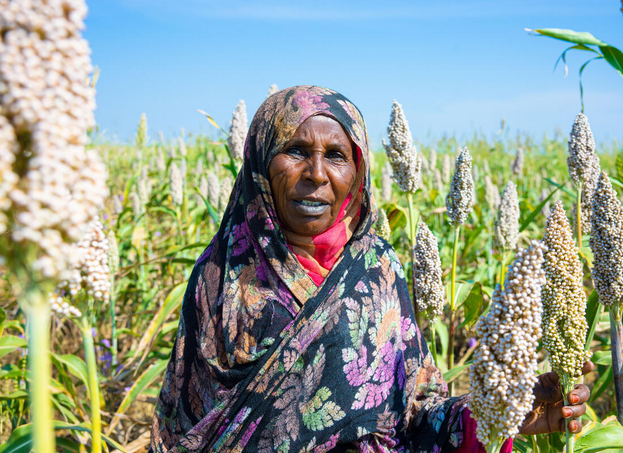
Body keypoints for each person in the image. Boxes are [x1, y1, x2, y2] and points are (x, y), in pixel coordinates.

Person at [150, 85, 592, 452]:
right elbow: (190, 428)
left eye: (336, 155)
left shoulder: (377, 269)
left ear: (358, 170)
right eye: (296, 151)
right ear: (262, 161)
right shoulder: (222, 276)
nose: (317, 173)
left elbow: (415, 412)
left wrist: (503, 408)